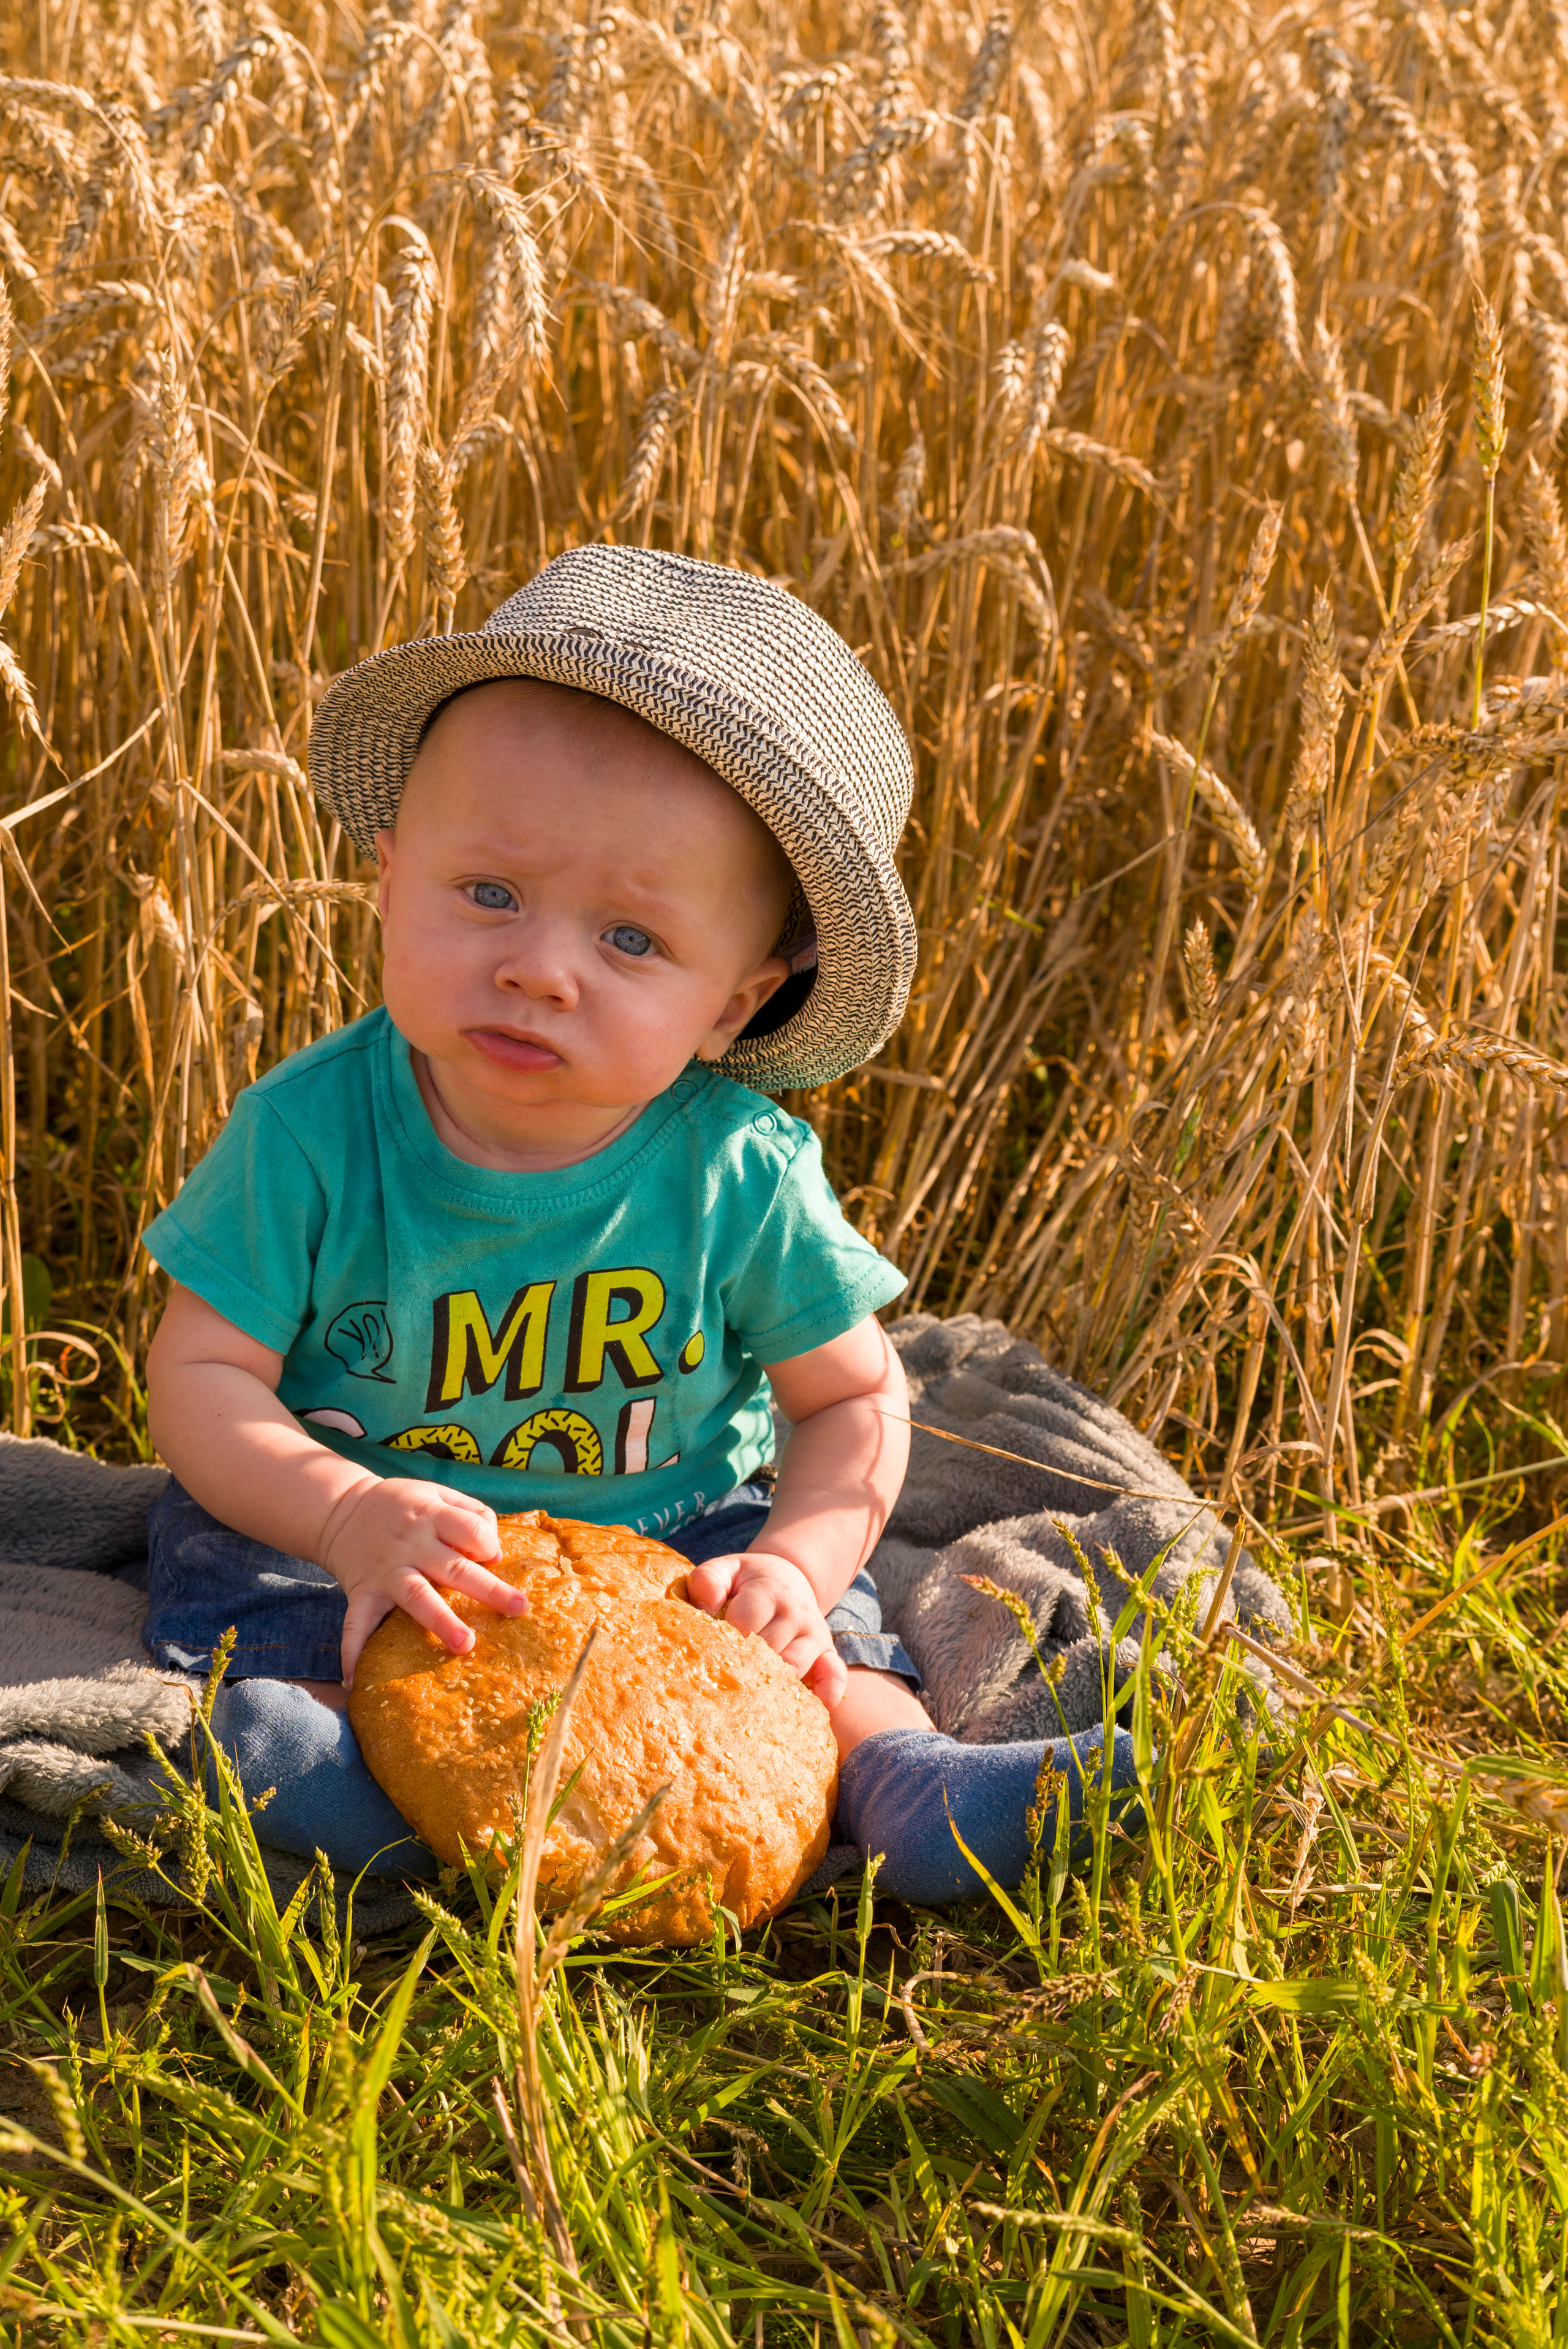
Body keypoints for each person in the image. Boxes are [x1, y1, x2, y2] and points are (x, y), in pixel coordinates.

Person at [141, 547, 1131, 1904]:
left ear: (734, 1005)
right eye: (489, 893)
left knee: (808, 1645)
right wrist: (344, 1510)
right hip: (355, 1529)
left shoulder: (736, 1172)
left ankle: (908, 1781)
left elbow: (852, 1398)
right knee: (260, 1607)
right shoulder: (308, 1136)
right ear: (389, 875)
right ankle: (323, 1772)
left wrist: (795, 1563)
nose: (539, 967)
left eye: (630, 941)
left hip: (671, 1536)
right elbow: (202, 1377)